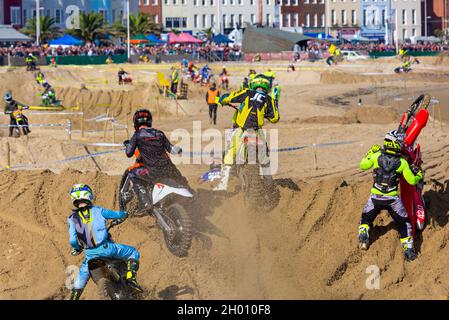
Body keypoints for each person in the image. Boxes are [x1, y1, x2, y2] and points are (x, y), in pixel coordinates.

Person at [68, 184, 143, 300]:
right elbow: (118, 214)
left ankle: (73, 298)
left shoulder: (72, 218)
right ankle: (131, 278)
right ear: (89, 195)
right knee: (133, 252)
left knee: (80, 281)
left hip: (90, 255)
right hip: (107, 248)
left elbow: (73, 240)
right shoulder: (99, 210)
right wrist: (125, 214)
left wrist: (77, 248)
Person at [358, 130, 423, 262]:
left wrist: (371, 152)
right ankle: (409, 250)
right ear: (396, 144)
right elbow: (411, 180)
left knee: (366, 218)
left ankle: (363, 236)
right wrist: (419, 175)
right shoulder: (402, 163)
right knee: (404, 223)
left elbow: (362, 165)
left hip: (375, 197)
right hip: (392, 200)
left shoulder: (376, 156)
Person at [214, 74, 279, 191]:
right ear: (267, 87)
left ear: (254, 84)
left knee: (230, 152)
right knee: (265, 154)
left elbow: (227, 98)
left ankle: (223, 184)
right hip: (257, 130)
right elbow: (275, 118)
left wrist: (222, 99)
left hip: (242, 129)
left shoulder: (247, 92)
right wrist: (273, 105)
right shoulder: (270, 100)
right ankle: (269, 182)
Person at [124, 109, 190, 213]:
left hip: (152, 171)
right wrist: (179, 149)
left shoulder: (137, 135)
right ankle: (193, 198)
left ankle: (145, 202)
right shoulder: (160, 134)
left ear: (135, 122)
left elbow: (128, 153)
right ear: (149, 121)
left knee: (132, 174)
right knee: (181, 180)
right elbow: (172, 149)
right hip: (169, 169)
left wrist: (128, 145)